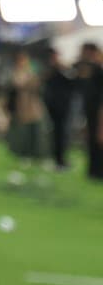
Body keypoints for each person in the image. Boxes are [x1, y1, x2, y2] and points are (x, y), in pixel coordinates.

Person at [40, 46, 75, 169]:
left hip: (62, 104)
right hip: (56, 105)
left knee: (61, 133)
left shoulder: (60, 69)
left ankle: (60, 159)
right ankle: (59, 160)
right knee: (59, 133)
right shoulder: (50, 70)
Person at [78, 42, 103, 181]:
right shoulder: (90, 69)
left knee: (98, 141)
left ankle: (98, 171)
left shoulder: (98, 70)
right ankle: (94, 171)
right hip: (91, 111)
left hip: (99, 111)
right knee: (92, 141)